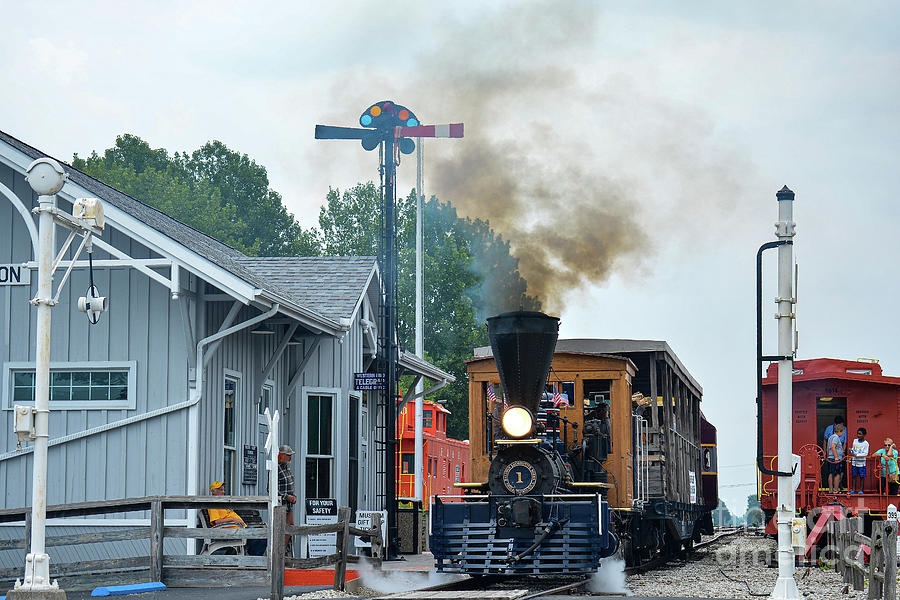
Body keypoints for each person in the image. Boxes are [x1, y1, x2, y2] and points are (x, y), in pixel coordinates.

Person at [208, 481, 266, 555]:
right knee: (261, 536)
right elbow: (217, 522)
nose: (223, 492)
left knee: (262, 535)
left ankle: (253, 558)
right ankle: (254, 559)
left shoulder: (221, 503)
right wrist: (233, 519)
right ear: (213, 492)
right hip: (230, 531)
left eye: (223, 490)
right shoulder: (213, 504)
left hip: (239, 528)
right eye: (220, 490)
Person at [278, 445, 297, 552]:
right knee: (283, 528)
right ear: (282, 455)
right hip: (282, 504)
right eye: (288, 455)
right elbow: (271, 488)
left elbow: (290, 485)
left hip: (289, 504)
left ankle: (285, 551)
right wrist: (286, 497)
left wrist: (294, 497)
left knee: (290, 527)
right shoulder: (277, 468)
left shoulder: (287, 468)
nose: (290, 458)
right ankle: (281, 551)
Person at [827, 423, 846, 494]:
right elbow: (832, 446)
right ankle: (835, 490)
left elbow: (828, 448)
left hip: (830, 458)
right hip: (835, 459)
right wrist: (837, 457)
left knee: (831, 473)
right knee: (837, 474)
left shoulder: (830, 437)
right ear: (840, 431)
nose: (843, 434)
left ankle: (830, 490)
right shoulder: (836, 437)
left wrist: (828, 456)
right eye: (843, 432)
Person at [850, 428, 869, 494]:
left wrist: (856, 454)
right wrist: (851, 451)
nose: (858, 435)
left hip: (862, 463)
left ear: (864, 435)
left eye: (860, 434)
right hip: (854, 462)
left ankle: (861, 490)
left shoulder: (866, 443)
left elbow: (865, 453)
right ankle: (853, 489)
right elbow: (853, 449)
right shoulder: (855, 441)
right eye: (858, 434)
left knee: (862, 477)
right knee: (854, 476)